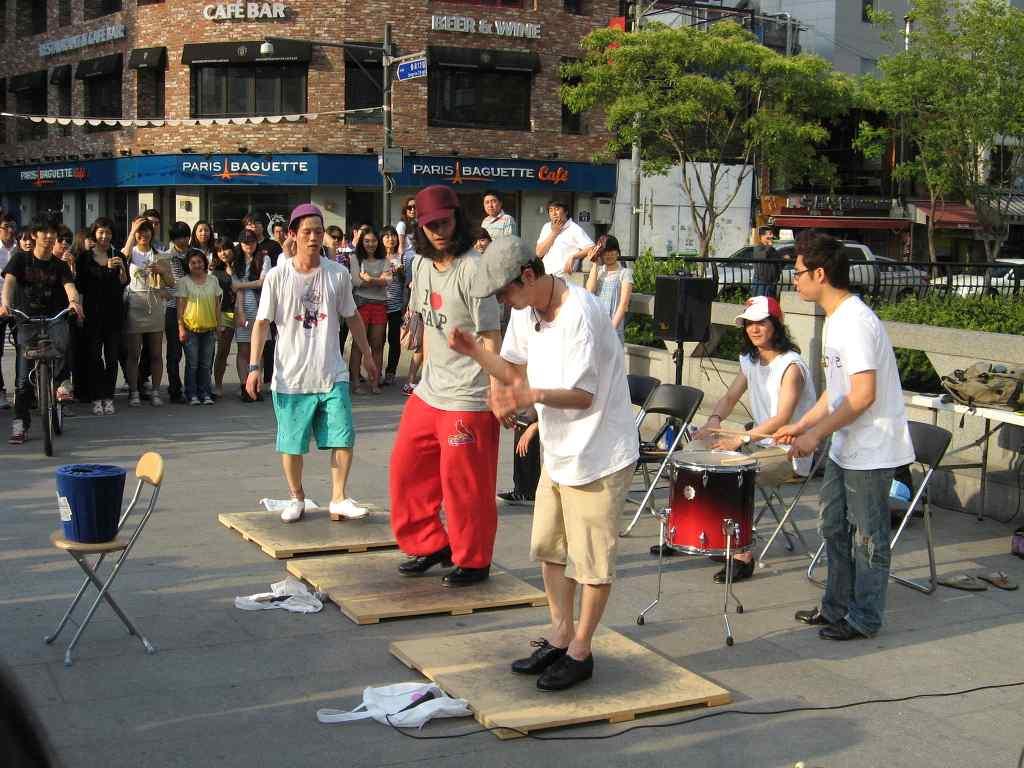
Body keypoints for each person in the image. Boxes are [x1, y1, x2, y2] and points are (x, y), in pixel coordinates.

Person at [448, 236, 639, 691]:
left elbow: (582, 394)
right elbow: (515, 370)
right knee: (549, 547)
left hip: (599, 453)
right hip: (558, 449)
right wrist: (479, 356)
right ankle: (559, 633)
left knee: (591, 562)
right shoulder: (525, 311)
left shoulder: (583, 314)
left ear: (529, 276)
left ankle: (581, 650)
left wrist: (530, 397)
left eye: (504, 292)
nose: (501, 302)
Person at [775, 233, 914, 641]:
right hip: (846, 445)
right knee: (833, 526)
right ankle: (835, 607)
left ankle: (864, 618)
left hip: (872, 449)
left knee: (868, 538)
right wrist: (802, 426)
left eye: (798, 273)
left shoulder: (855, 322)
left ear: (820, 273)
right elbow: (835, 394)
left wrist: (815, 434)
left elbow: (863, 396)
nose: (794, 280)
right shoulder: (836, 319)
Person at [388, 185, 502, 587]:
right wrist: (411, 328)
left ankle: (474, 560)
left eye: (444, 222)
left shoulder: (475, 269)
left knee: (465, 488)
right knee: (406, 471)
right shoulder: (420, 263)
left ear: (458, 220)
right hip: (430, 389)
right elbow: (420, 309)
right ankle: (429, 543)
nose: (438, 230)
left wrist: (497, 391)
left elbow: (491, 336)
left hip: (469, 397)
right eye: (430, 224)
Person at [245, 203, 377, 524]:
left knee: (343, 436)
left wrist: (369, 356)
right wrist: (253, 368)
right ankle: (296, 497)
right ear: (293, 234)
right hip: (291, 376)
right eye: (307, 231)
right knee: (292, 444)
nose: (314, 237)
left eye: (319, 231)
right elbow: (262, 323)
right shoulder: (277, 276)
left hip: (332, 372)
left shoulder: (338, 274)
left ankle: (338, 497)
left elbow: (353, 317)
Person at [687, 295, 817, 581]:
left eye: (761, 322)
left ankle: (742, 553)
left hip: (791, 451)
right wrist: (713, 422)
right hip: (759, 441)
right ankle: (704, 532)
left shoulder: (791, 366)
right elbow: (731, 396)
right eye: (749, 323)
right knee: (695, 451)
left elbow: (782, 419)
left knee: (735, 471)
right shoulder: (749, 360)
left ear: (776, 325)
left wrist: (741, 439)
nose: (754, 328)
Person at [0, 214, 85, 444]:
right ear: (35, 235)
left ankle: (61, 383)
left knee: (63, 336)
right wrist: (5, 304)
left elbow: (69, 286)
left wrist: (75, 302)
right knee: (22, 378)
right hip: (26, 319)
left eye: (52, 233)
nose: (49, 237)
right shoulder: (20, 260)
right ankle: (20, 424)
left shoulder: (59, 265)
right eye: (44, 232)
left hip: (53, 317)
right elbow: (8, 282)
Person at [75, 217, 128, 416]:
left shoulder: (118, 254)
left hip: (114, 315)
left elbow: (124, 282)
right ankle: (96, 398)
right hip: (92, 314)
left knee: (112, 358)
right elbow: (80, 286)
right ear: (94, 234)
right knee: (95, 358)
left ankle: (109, 397)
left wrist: (120, 269)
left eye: (108, 233)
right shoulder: (85, 258)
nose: (105, 236)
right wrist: (79, 312)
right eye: (101, 232)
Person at [122, 218, 174, 407]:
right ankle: (134, 391)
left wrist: (162, 271)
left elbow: (171, 283)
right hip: (135, 304)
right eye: (139, 232)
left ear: (152, 233)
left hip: (155, 305)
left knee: (155, 353)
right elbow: (121, 258)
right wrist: (132, 231)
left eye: (146, 231)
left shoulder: (159, 254)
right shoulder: (130, 253)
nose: (143, 235)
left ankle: (155, 391)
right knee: (133, 353)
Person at [177, 249, 222, 405]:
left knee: (206, 363)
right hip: (191, 329)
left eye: (200, 261)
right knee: (193, 363)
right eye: (193, 263)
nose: (197, 265)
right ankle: (192, 394)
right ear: (188, 265)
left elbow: (217, 305)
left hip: (209, 329)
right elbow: (180, 307)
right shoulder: (184, 282)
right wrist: (181, 328)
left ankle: (205, 393)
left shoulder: (213, 280)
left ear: (205, 262)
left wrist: (219, 325)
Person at [350, 228, 390, 395]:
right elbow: (357, 282)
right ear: (361, 242)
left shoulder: (384, 259)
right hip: (361, 304)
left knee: (378, 344)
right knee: (359, 345)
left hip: (380, 305)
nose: (370, 244)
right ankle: (356, 383)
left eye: (373, 241)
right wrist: (378, 281)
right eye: (367, 241)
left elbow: (388, 280)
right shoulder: (355, 258)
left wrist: (371, 279)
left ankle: (374, 382)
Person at [231, 230, 269, 402]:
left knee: (258, 349)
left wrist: (241, 285)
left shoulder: (264, 258)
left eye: (252, 241)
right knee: (243, 348)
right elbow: (233, 285)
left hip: (259, 304)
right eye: (245, 242)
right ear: (240, 243)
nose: (249, 245)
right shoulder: (235, 259)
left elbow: (263, 281)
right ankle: (243, 384)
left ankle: (256, 385)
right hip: (241, 305)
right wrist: (239, 309)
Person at [158, 222, 192, 404]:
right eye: (178, 236)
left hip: (194, 308)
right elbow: (160, 282)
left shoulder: (195, 254)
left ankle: (194, 388)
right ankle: (175, 389)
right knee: (174, 352)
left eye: (185, 236)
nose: (183, 240)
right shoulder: (165, 256)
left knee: (194, 352)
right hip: (172, 308)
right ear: (173, 238)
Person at [585, 235, 633, 344]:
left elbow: (623, 304)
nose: (609, 254)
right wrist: (594, 263)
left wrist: (610, 330)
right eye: (605, 251)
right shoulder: (598, 271)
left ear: (618, 252)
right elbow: (589, 291)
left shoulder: (625, 273)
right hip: (596, 326)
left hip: (614, 328)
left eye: (612, 250)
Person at [535, 200, 593, 278]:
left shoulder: (574, 228)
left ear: (566, 212)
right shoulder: (546, 227)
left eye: (557, 209)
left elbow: (591, 247)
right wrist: (554, 233)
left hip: (564, 277)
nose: (554, 213)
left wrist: (574, 256)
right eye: (551, 210)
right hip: (545, 275)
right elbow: (539, 253)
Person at [210, 238, 238, 398]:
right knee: (222, 351)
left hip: (244, 311)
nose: (223, 253)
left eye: (226, 249)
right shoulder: (215, 272)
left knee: (245, 349)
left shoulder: (242, 266)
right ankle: (218, 384)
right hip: (225, 313)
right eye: (219, 251)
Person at [381, 225, 407, 387]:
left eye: (393, 236)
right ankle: (375, 370)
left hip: (396, 306)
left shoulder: (402, 257)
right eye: (387, 236)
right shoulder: (377, 257)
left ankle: (391, 372)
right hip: (379, 305)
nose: (391, 239)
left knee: (394, 340)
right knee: (377, 340)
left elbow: (407, 281)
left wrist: (400, 271)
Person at [0, 214, 17, 409]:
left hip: (19, 306)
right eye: (5, 226)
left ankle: (26, 390)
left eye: (12, 226)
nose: (10, 230)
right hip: (0, 306)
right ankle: (2, 391)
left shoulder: (19, 248)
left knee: (25, 348)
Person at [750, 226, 780, 298]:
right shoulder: (758, 248)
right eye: (769, 234)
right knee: (759, 303)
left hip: (771, 283)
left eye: (772, 234)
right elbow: (763, 255)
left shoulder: (772, 249)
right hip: (761, 283)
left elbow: (778, 263)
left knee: (769, 304)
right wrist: (769, 246)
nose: (772, 236)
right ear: (762, 236)